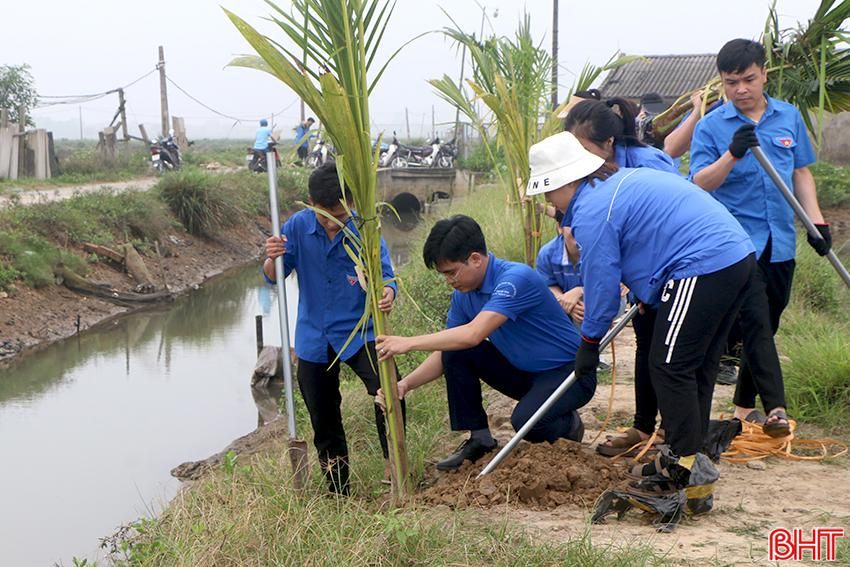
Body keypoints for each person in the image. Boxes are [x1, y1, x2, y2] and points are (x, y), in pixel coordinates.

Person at [528, 131, 756, 488]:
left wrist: (589, 341)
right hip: (735, 256)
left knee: (669, 366)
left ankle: (679, 467)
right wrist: (647, 295)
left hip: (702, 263)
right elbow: (647, 240)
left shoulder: (591, 211)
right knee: (694, 366)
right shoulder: (616, 184)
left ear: (566, 181)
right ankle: (691, 463)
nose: (548, 200)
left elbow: (602, 284)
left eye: (548, 191)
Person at [690, 39, 833, 435]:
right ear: (722, 82)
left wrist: (816, 222)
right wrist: (732, 154)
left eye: (748, 80)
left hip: (779, 241)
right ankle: (776, 409)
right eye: (731, 82)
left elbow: (800, 172)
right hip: (735, 245)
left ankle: (741, 409)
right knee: (755, 322)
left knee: (768, 323)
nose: (740, 90)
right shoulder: (711, 126)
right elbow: (699, 182)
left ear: (764, 74)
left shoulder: (787, 116)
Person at [374, 215, 589, 472]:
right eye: (444, 275)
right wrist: (405, 385)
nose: (449, 281)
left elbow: (474, 334)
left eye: (451, 272)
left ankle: (569, 425)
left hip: (570, 373)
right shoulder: (464, 295)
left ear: (475, 259)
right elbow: (450, 348)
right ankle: (480, 438)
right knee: (456, 352)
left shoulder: (515, 279)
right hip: (525, 374)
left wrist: (408, 343)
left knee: (526, 422)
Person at [262, 162, 402, 495]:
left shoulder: (364, 227)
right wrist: (271, 257)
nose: (332, 223)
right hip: (314, 335)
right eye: (325, 215)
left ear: (350, 203)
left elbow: (387, 276)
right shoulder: (297, 227)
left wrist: (388, 292)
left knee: (389, 390)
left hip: (360, 331)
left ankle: (394, 465)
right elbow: (274, 275)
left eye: (339, 214)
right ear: (312, 203)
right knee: (323, 417)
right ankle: (338, 489)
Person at [563, 98, 679, 455]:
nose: (579, 159)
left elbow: (665, 225)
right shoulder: (592, 173)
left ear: (609, 142)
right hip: (641, 276)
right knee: (646, 345)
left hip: (673, 269)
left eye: (584, 149)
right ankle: (643, 428)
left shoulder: (649, 164)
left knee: (668, 356)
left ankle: (672, 436)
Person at [536, 226, 584, 326]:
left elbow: (610, 283)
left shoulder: (600, 248)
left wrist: (581, 290)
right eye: (570, 224)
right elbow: (546, 286)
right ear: (560, 228)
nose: (577, 227)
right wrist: (565, 302)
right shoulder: (547, 253)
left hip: (601, 302)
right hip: (563, 308)